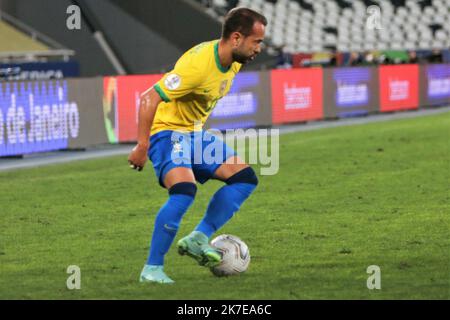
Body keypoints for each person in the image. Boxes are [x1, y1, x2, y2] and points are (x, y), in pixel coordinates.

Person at [127, 7, 267, 284]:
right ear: (236, 38)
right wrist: (142, 146)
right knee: (184, 191)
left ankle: (198, 238)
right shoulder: (198, 65)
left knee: (244, 179)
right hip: (166, 133)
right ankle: (152, 269)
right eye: (257, 41)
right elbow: (148, 98)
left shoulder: (235, 62)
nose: (259, 48)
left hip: (194, 134)